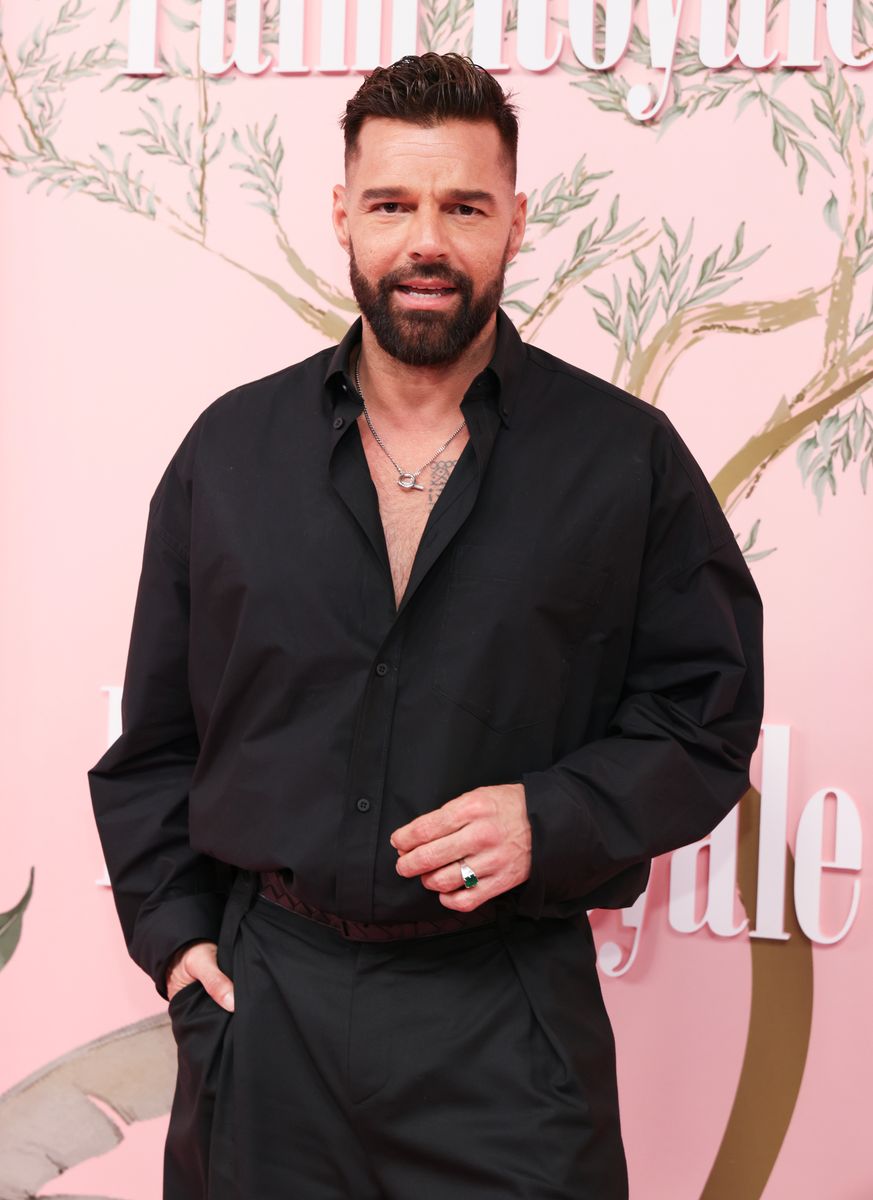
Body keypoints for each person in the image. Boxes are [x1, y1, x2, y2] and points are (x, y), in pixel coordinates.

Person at [88, 52, 764, 1200]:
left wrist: (552, 816)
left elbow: (704, 723)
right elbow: (155, 739)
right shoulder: (228, 456)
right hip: (272, 1017)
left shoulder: (624, 460)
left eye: (465, 206)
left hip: (506, 1020)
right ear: (343, 216)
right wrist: (178, 940)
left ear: (516, 221)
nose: (427, 243)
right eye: (394, 205)